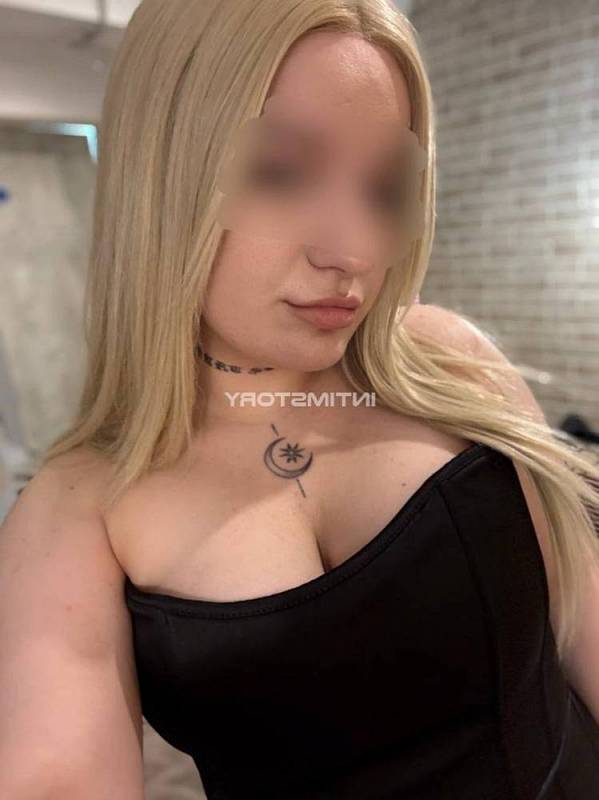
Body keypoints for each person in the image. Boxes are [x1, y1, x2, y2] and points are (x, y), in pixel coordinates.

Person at [2, 1, 599, 798]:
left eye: (384, 188)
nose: (354, 250)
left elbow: (585, 618)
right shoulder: (79, 509)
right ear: (161, 179)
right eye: (279, 172)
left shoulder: (450, 364)